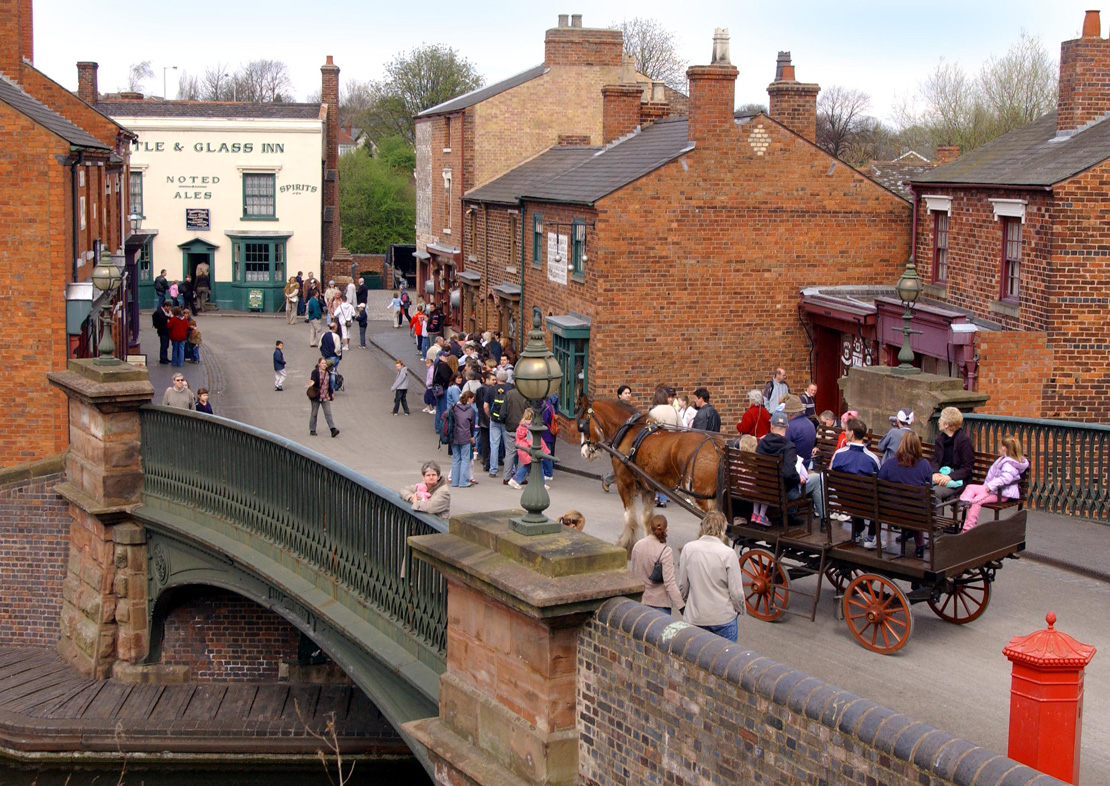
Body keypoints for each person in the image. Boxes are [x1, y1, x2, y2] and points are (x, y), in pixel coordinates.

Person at [677, 511, 745, 642]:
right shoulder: (728, 554)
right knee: (727, 659)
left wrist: (688, 603)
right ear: (723, 529)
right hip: (723, 617)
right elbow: (736, 592)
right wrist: (738, 609)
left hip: (696, 616)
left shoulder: (688, 548)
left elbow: (683, 585)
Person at [878, 431, 933, 558]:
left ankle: (872, 538)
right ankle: (920, 546)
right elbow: (929, 487)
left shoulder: (890, 464)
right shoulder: (925, 465)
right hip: (916, 513)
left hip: (890, 511)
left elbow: (879, 483)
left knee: (907, 504)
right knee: (918, 506)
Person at [830, 417, 882, 546]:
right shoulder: (872, 458)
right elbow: (879, 482)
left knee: (854, 492)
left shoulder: (839, 454)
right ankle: (871, 537)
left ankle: (858, 531)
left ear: (852, 433)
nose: (845, 433)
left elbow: (830, 474)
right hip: (865, 502)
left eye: (846, 431)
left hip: (843, 501)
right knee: (872, 495)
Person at [959, 436, 1028, 532]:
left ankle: (967, 529)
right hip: (993, 489)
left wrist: (991, 486)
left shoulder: (1009, 464)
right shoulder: (1003, 459)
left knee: (976, 501)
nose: (999, 448)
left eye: (1000, 447)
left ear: (1004, 448)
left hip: (1002, 493)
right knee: (970, 487)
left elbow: (1006, 479)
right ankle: (964, 503)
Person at [750, 411, 801, 526]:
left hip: (760, 486)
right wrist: (799, 479)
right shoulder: (789, 446)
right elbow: (788, 474)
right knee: (805, 483)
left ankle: (757, 514)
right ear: (787, 427)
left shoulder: (762, 443)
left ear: (771, 426)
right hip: (778, 491)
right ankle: (791, 517)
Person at [630, 515, 684, 614]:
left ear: (650, 528)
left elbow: (634, 573)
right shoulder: (666, 551)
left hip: (641, 600)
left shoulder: (638, 545)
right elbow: (670, 583)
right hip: (660, 604)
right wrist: (681, 606)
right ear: (666, 529)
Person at [930, 407, 975, 506]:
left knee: (934, 492)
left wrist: (950, 477)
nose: (938, 421)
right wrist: (934, 473)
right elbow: (935, 460)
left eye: (941, 418)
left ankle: (937, 521)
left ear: (946, 425)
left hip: (957, 481)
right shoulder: (941, 440)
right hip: (941, 477)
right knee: (919, 487)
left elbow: (967, 468)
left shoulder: (964, 442)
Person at [508, 407, 552, 490]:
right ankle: (516, 480)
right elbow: (531, 441)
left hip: (522, 450)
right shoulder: (529, 428)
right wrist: (538, 449)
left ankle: (517, 480)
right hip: (529, 451)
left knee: (531, 466)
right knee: (535, 466)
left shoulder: (521, 426)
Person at [600, 385, 634, 492]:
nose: (628, 395)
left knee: (629, 463)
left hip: (630, 438)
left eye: (629, 393)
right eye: (626, 393)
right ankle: (607, 479)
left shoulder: (630, 407)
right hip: (618, 439)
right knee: (623, 463)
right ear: (619, 396)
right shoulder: (617, 409)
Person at [449, 390, 478, 488]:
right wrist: (471, 436)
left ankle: (455, 481)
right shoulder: (471, 410)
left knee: (456, 459)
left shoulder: (454, 407)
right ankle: (464, 482)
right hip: (465, 436)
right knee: (465, 459)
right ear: (469, 398)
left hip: (454, 436)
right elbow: (472, 426)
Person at [308, 357, 340, 438]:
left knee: (328, 413)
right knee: (314, 413)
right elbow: (313, 380)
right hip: (316, 396)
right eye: (322, 363)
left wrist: (331, 393)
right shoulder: (315, 372)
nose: (324, 365)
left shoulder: (328, 373)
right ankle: (312, 429)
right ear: (319, 364)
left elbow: (329, 385)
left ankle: (333, 429)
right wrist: (312, 383)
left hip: (325, 396)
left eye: (325, 363)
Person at [488, 370, 512, 477]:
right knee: (509, 446)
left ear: (497, 379)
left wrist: (490, 415)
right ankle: (511, 469)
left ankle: (493, 470)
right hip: (507, 420)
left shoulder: (491, 389)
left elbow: (485, 405)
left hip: (494, 420)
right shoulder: (511, 389)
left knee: (494, 445)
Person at [782, 394, 816, 462]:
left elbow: (784, 446)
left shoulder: (791, 426)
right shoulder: (810, 424)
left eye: (786, 414)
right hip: (807, 462)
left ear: (790, 414)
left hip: (794, 464)